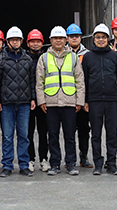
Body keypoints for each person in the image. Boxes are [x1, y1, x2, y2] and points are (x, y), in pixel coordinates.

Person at [36, 25, 86, 176]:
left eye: (61, 38)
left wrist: (79, 101)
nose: (58, 41)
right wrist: (41, 101)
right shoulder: (44, 58)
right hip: (50, 103)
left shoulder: (73, 57)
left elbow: (80, 81)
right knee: (53, 135)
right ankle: (55, 164)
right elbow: (39, 82)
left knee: (70, 136)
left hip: (69, 102)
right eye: (55, 38)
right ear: (50, 40)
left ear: (66, 40)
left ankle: (70, 164)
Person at [82, 24, 117, 175]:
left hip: (112, 100)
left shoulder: (115, 57)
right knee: (96, 134)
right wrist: (85, 100)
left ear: (108, 39)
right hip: (94, 101)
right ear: (94, 39)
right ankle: (98, 164)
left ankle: (111, 163)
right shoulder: (88, 57)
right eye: (98, 37)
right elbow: (84, 80)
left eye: (104, 37)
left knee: (112, 134)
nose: (101, 40)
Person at [0, 26, 35, 177]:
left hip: (24, 103)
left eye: (17, 40)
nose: (15, 42)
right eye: (12, 40)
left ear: (21, 41)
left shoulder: (27, 59)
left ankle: (24, 165)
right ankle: (7, 166)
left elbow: (32, 81)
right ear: (8, 41)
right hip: (7, 104)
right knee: (7, 136)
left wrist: (33, 98)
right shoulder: (0, 60)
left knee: (24, 136)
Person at [66, 23, 92, 167]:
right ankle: (70, 158)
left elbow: (88, 78)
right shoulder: (63, 54)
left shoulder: (87, 55)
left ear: (80, 37)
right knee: (69, 130)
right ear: (67, 38)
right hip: (68, 97)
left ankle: (84, 156)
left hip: (83, 98)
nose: (74, 38)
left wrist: (85, 99)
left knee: (84, 129)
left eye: (76, 36)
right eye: (71, 36)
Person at [26, 29, 50, 172]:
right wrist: (31, 98)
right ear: (28, 43)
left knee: (43, 132)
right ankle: (30, 159)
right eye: (32, 41)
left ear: (42, 43)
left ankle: (43, 159)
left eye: (38, 41)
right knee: (28, 132)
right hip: (29, 101)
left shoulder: (47, 58)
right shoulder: (24, 59)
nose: (35, 44)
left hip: (44, 101)